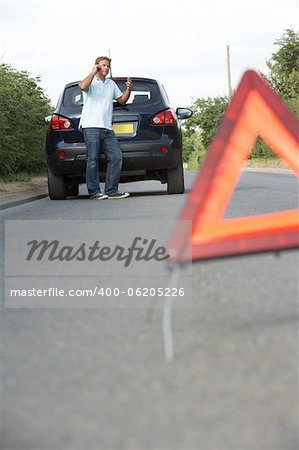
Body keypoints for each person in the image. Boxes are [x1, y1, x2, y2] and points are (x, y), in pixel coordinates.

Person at [78, 56, 132, 199]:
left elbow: (121, 100)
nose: (106, 68)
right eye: (103, 65)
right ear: (97, 66)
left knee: (116, 157)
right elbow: (82, 86)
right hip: (91, 126)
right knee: (92, 159)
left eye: (108, 66)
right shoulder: (91, 81)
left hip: (107, 128)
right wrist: (92, 72)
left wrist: (128, 89)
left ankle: (111, 191)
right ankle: (94, 192)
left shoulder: (111, 84)